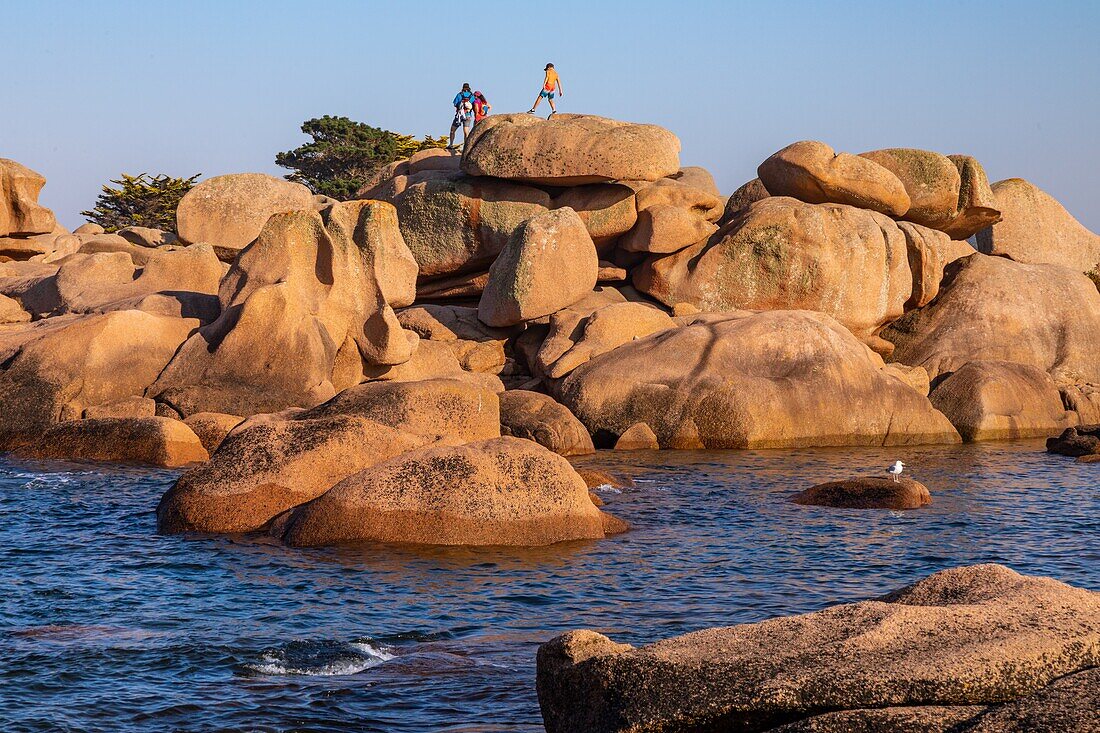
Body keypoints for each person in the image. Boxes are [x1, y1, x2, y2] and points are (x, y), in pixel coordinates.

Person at [450, 83, 475, 149]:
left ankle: (451, 144)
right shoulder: (472, 96)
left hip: (459, 115)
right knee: (466, 132)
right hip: (468, 115)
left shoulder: (459, 95)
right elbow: (474, 105)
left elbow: (455, 103)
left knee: (452, 130)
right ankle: (466, 146)